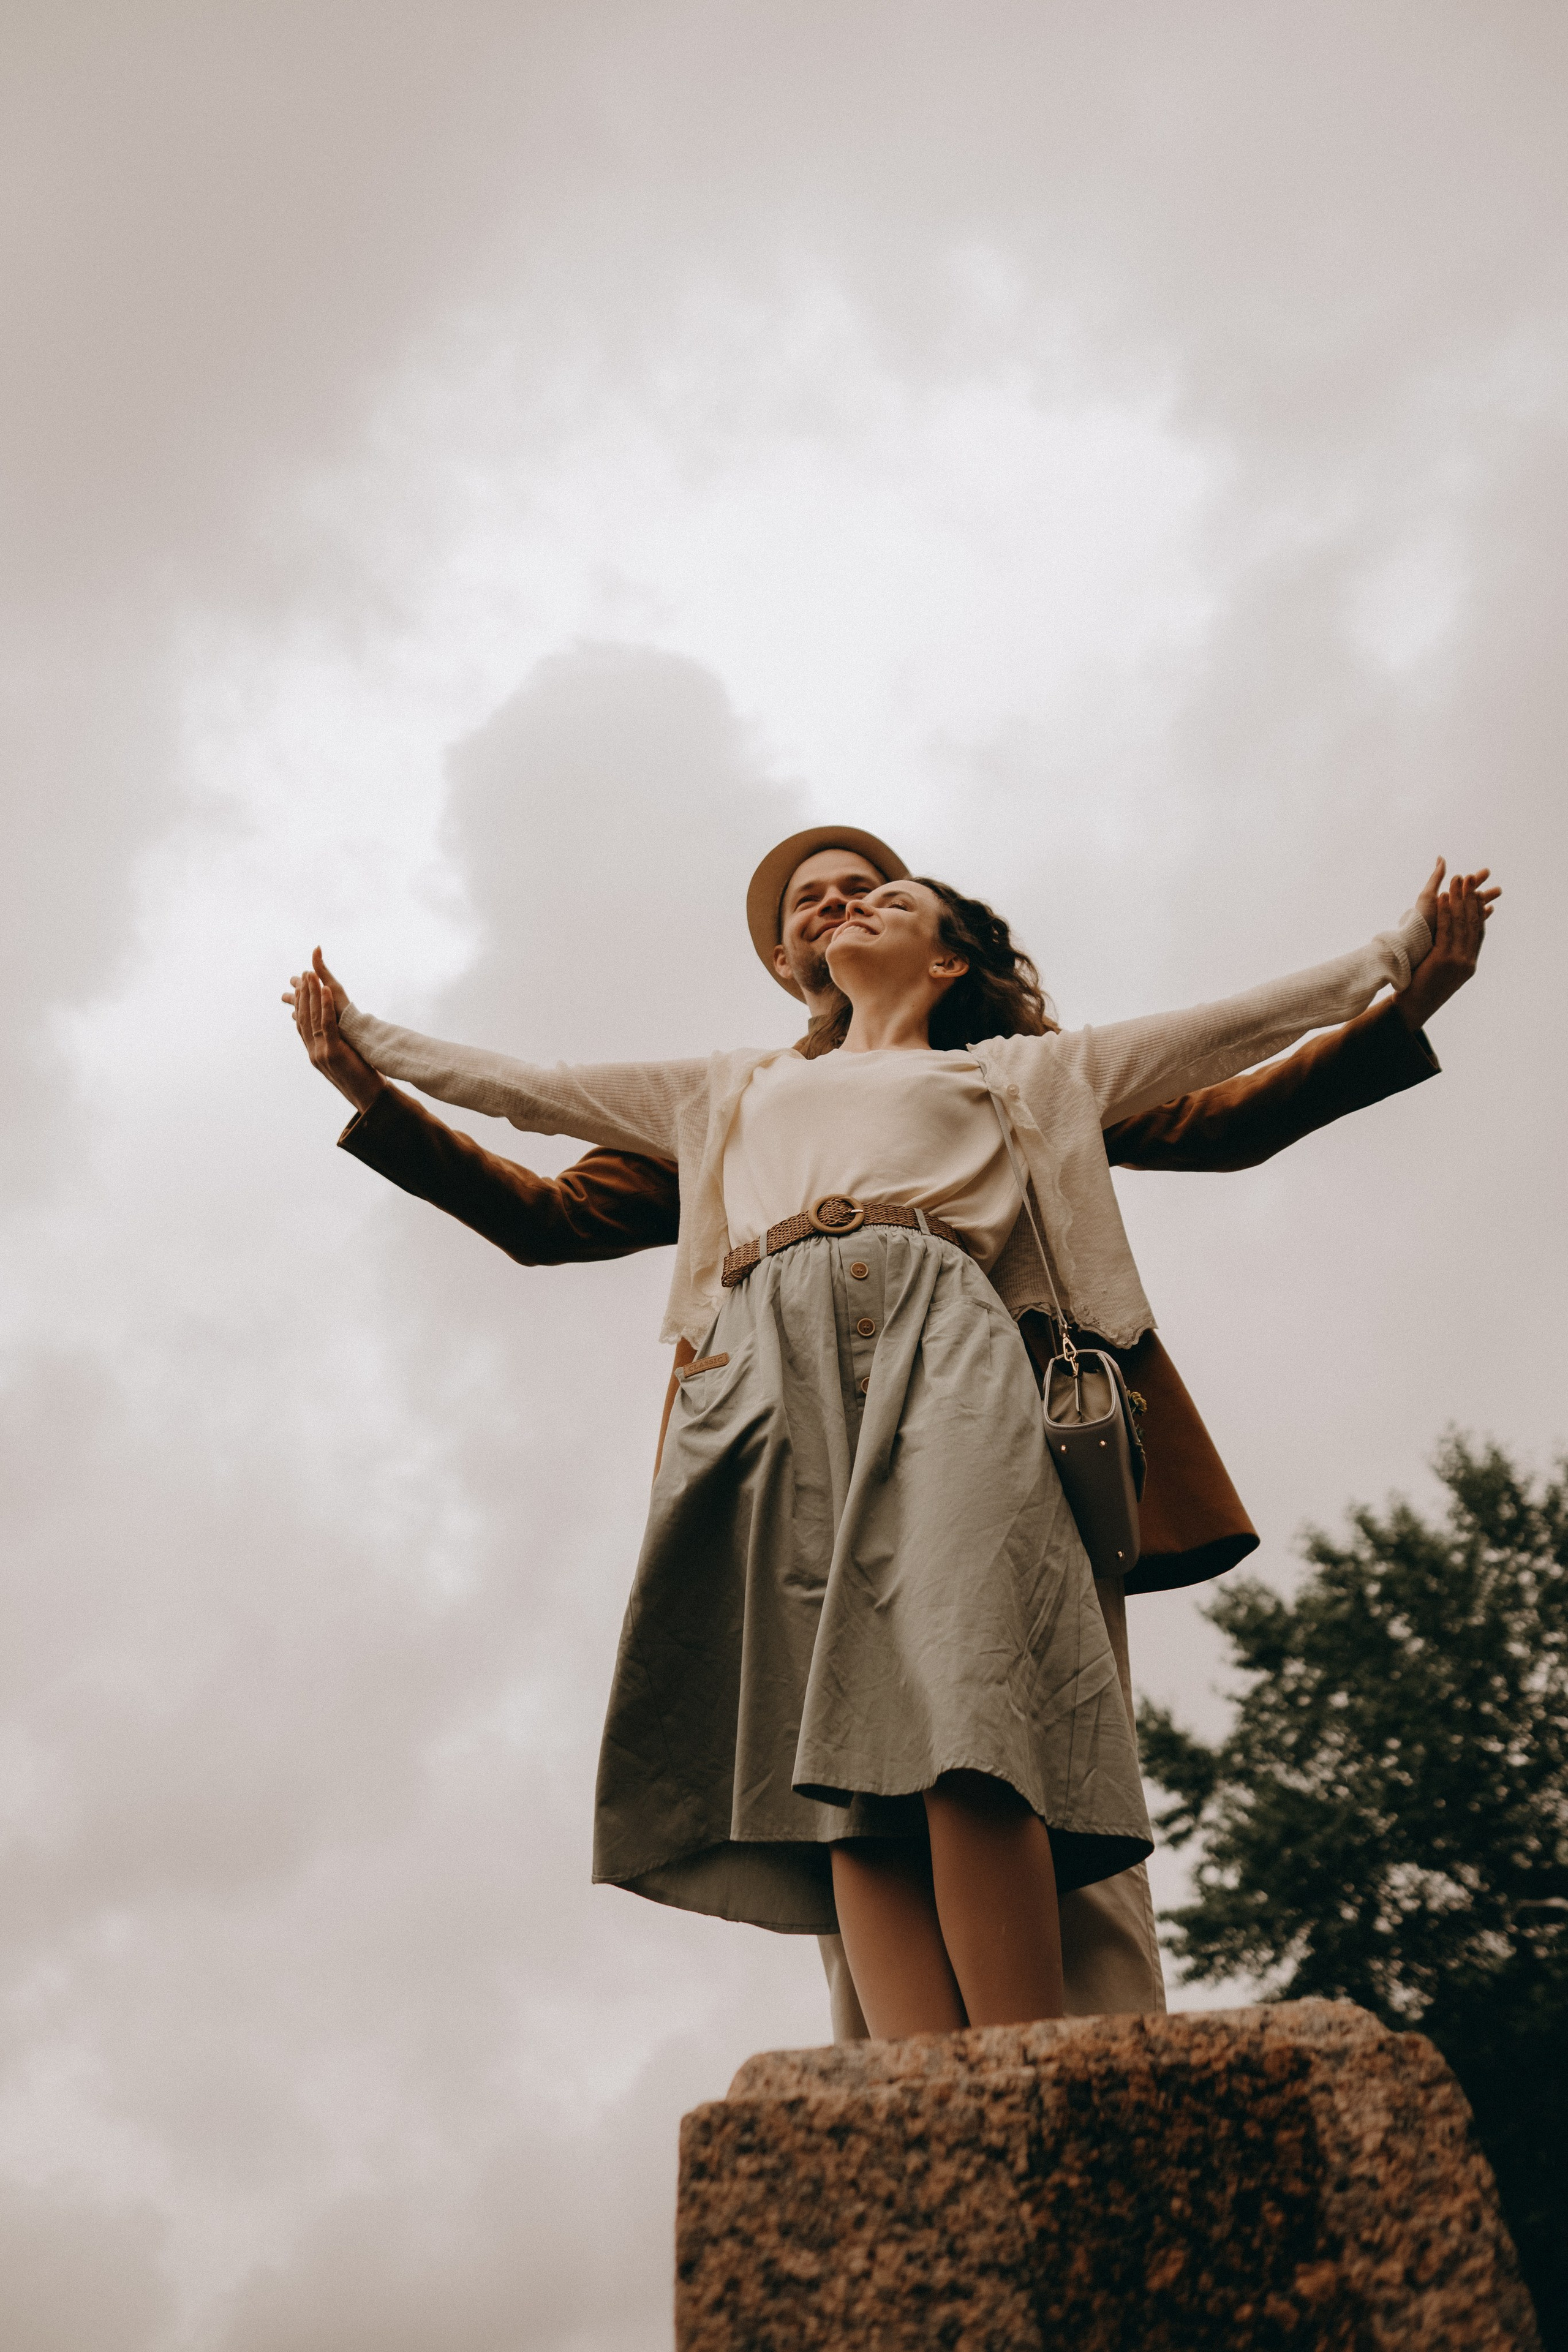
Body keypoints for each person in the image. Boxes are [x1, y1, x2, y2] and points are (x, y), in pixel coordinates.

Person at [291, 828, 1493, 2038]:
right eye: (811, 902)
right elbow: (542, 1174)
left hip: (970, 1378)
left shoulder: (1013, 1077)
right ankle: (908, 2091)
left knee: (998, 1710)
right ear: (783, 959)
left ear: (944, 951)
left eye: (865, 890)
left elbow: (1227, 1084)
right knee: (832, 1751)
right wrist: (367, 1068)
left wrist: (1404, 977)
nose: (838, 906)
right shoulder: (731, 1100)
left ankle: (1060, 2066)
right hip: (774, 1391)